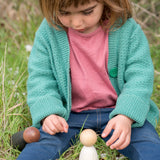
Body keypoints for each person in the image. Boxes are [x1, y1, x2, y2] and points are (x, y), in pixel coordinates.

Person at [17, 0, 160, 159]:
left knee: (151, 149)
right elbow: (41, 78)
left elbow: (139, 77)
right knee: (35, 152)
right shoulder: (49, 32)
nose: (77, 23)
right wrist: (49, 113)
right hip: (67, 116)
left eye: (87, 12)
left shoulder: (127, 29)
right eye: (65, 13)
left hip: (118, 113)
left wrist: (126, 116)